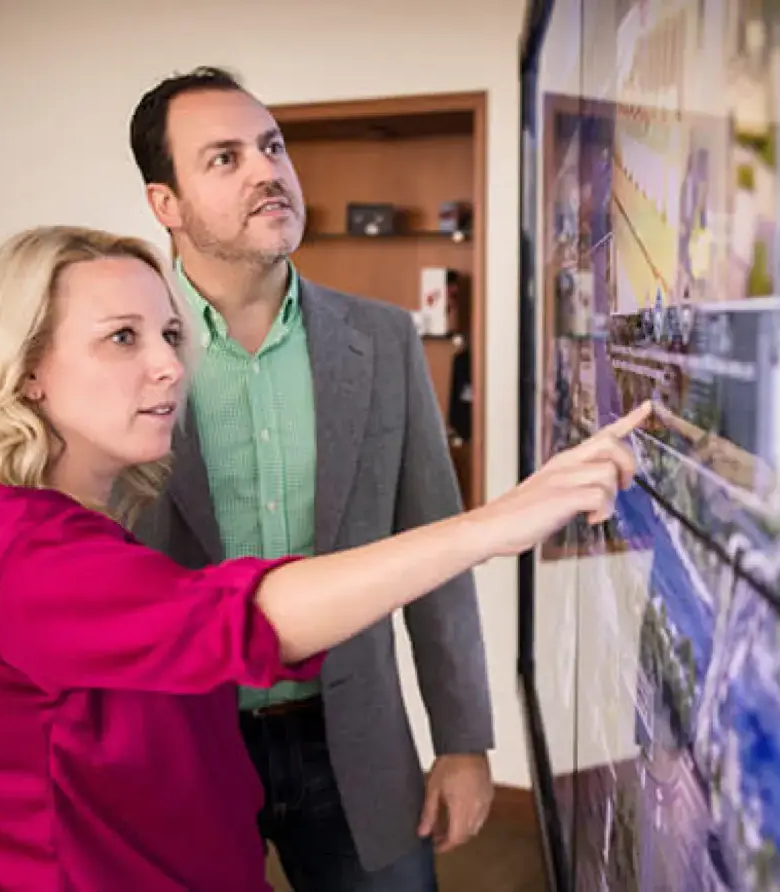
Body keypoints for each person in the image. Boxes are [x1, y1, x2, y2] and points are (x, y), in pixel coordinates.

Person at [0, 224, 649, 891]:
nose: (168, 366)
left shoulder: (59, 524)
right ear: (27, 370)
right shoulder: (17, 555)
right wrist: (493, 525)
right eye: (122, 338)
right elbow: (244, 617)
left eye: (170, 334)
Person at [124, 66, 488, 890]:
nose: (266, 170)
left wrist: (463, 739)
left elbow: (436, 553)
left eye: (272, 146)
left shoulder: (387, 342)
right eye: (223, 158)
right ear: (165, 204)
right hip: (182, 744)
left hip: (355, 738)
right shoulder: (121, 356)